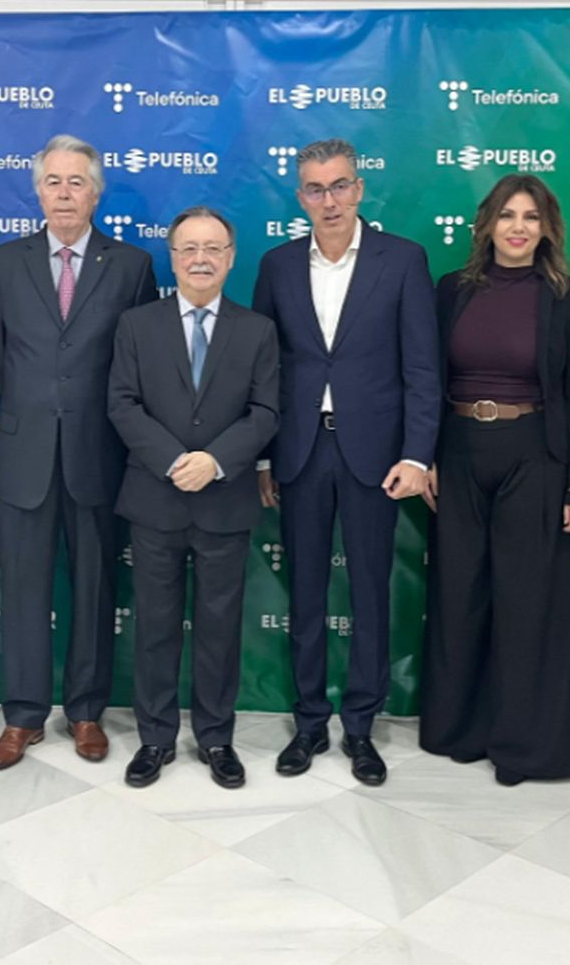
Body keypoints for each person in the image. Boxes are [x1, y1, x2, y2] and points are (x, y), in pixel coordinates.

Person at [253, 138, 439, 786]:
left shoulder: (403, 261)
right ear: (299, 196)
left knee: (369, 593)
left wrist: (418, 454)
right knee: (304, 592)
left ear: (360, 189)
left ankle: (361, 725)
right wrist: (263, 459)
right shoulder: (277, 265)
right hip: (300, 453)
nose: (328, 200)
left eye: (339, 186)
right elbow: (266, 371)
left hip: (376, 457)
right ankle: (308, 722)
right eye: (314, 188)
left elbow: (422, 367)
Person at [417, 174, 570, 785]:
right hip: (462, 452)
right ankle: (463, 730)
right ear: (487, 225)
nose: (518, 227)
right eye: (507, 215)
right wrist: (428, 455)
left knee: (528, 603)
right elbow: (426, 382)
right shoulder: (451, 291)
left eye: (531, 217)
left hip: (536, 457)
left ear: (547, 228)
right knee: (460, 594)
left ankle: (523, 744)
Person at [0, 134, 157, 770]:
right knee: (22, 588)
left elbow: (140, 362)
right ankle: (23, 716)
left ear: (96, 192)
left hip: (97, 456)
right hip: (25, 455)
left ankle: (86, 711)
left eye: (76, 182)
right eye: (53, 181)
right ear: (37, 190)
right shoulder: (2, 263)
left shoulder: (131, 266)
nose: (64, 193)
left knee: (94, 587)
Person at [108, 207, 279, 789]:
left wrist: (216, 461)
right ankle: (154, 738)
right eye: (188, 249)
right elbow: (123, 403)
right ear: (172, 257)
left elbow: (266, 411)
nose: (201, 259)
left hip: (224, 500)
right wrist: (175, 461)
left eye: (213, 248)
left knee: (218, 624)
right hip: (155, 498)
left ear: (231, 256)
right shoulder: (137, 324)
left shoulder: (256, 329)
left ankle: (216, 737)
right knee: (154, 624)